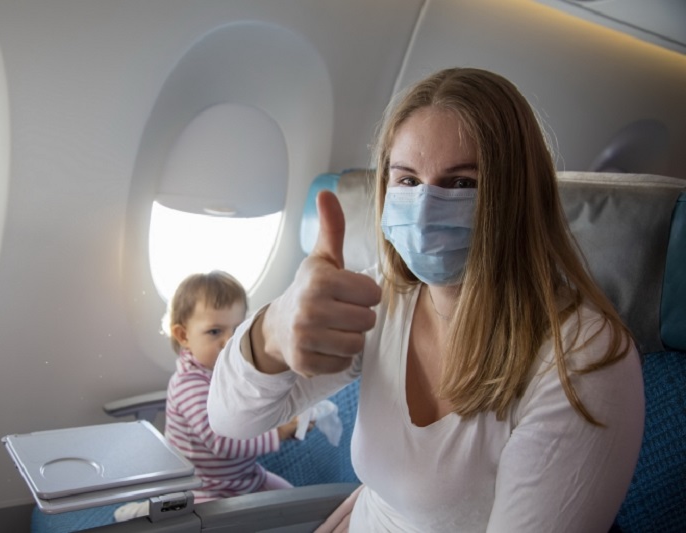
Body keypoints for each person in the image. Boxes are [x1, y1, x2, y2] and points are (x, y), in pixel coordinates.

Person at [207, 67, 645, 532]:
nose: (425, 210)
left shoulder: (582, 359)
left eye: (461, 183)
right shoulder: (381, 299)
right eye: (408, 181)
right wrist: (273, 333)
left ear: (517, 197)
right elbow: (230, 419)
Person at [114, 271, 299, 522]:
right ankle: (143, 511)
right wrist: (276, 433)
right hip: (201, 486)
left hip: (246, 476)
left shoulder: (232, 370)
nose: (229, 341)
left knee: (294, 503)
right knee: (202, 523)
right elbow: (222, 441)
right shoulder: (189, 384)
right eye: (214, 332)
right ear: (183, 336)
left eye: (238, 329)